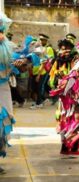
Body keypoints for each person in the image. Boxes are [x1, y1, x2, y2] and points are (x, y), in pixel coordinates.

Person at [50, 60, 79, 155]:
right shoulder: (73, 77)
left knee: (72, 125)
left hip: (73, 104)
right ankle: (70, 146)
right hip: (74, 104)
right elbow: (66, 92)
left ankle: (68, 148)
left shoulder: (73, 76)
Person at [0, 12, 16, 174]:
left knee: (2, 124)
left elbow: (16, 66)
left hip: (3, 91)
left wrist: (23, 62)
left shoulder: (8, 48)